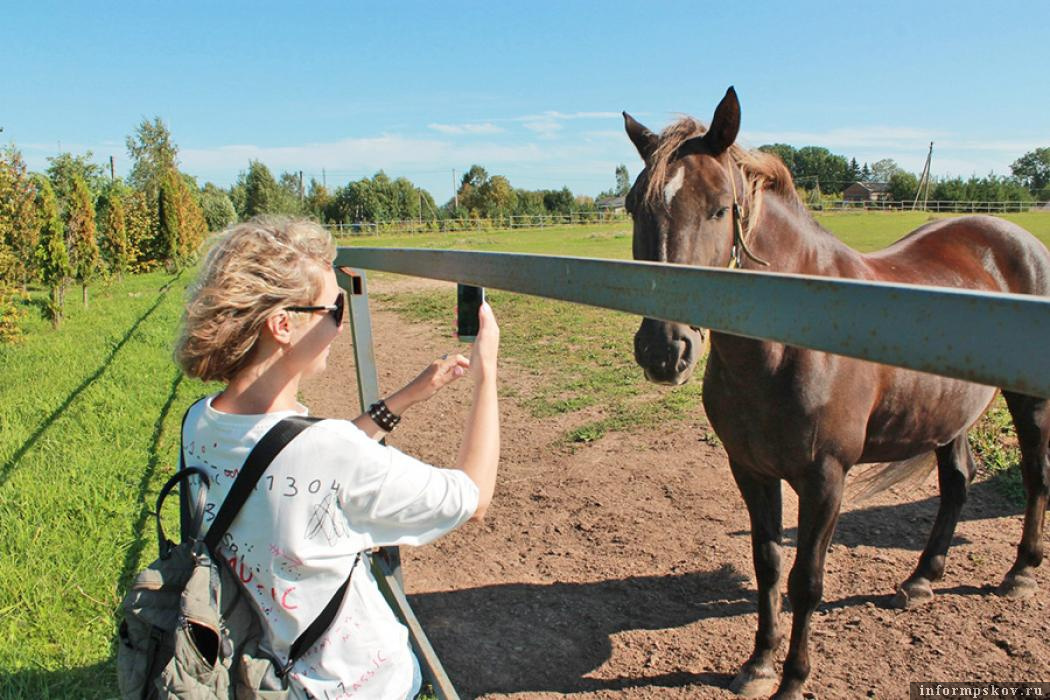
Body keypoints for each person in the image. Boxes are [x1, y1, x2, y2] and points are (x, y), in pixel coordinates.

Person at [172, 216, 500, 699]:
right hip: (359, 685)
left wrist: (402, 400)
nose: (341, 322)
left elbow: (285, 457)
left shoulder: (200, 420)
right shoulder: (330, 453)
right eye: (336, 308)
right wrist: (487, 373)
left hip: (258, 665)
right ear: (283, 325)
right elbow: (473, 498)